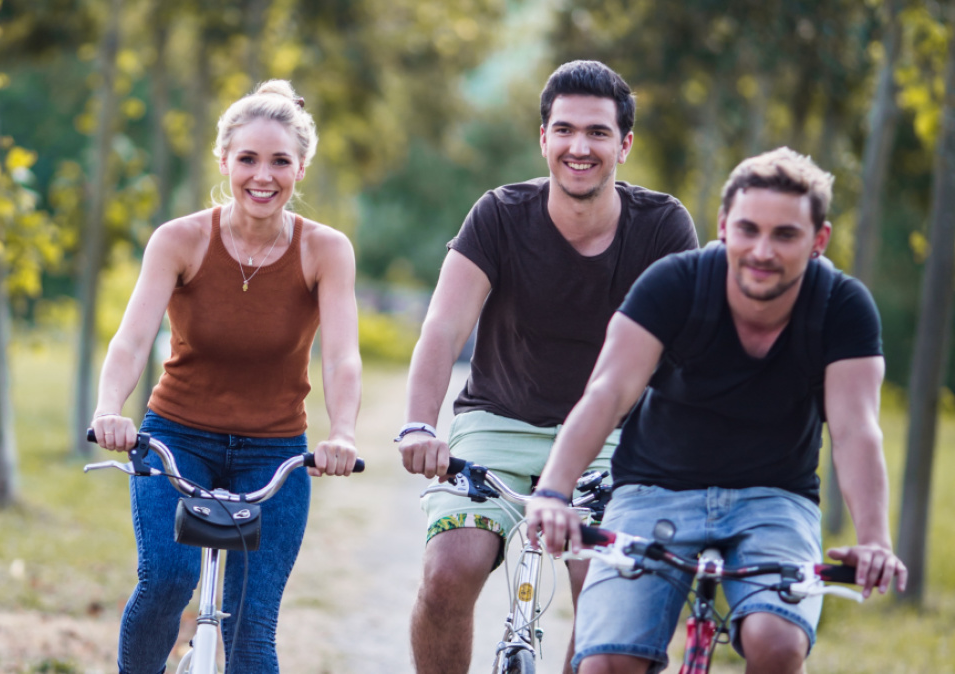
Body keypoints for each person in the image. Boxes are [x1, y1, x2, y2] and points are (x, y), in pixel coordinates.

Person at [527, 147, 908, 674]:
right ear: (725, 226)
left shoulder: (842, 307)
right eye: (748, 229)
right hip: (653, 491)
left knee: (777, 643)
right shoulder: (674, 284)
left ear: (818, 241)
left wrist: (874, 541)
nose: (762, 250)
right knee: (606, 662)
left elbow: (856, 431)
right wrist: (552, 492)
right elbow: (607, 394)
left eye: (785, 235)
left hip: (775, 499)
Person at [399, 60, 698, 674]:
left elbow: (685, 352)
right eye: (563, 130)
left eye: (597, 133)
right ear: (543, 139)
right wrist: (419, 426)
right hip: (497, 426)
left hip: (614, 439)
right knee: (448, 574)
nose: (578, 147)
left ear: (625, 144)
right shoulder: (500, 215)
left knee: (612, 597)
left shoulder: (664, 226)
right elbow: (443, 327)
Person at [90, 79, 362, 674]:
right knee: (167, 577)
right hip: (177, 438)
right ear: (224, 162)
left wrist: (342, 432)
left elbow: (341, 356)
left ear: (300, 168)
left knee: (250, 626)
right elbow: (133, 338)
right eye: (248, 159)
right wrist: (110, 407)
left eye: (280, 162)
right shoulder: (180, 240)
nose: (262, 176)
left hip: (275, 452)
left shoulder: (325, 251)